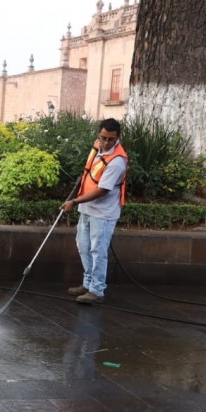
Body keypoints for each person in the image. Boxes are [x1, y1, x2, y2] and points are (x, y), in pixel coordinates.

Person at [60, 118, 128, 304]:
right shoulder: (98, 147)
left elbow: (102, 190)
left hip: (103, 214)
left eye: (111, 140)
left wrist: (73, 201)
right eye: (103, 138)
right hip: (87, 210)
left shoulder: (117, 162)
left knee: (98, 251)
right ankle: (88, 283)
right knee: (84, 247)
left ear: (118, 138)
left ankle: (97, 291)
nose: (106, 143)